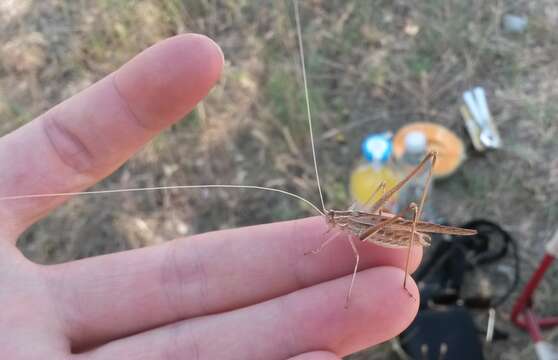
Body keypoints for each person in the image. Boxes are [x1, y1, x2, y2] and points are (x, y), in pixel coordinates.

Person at [0, 34, 421, 359]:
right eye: (330, 221)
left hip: (389, 233)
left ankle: (408, 255)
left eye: (332, 220)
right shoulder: (339, 224)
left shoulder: (350, 231)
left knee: (378, 228)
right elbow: (333, 239)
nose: (329, 223)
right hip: (378, 229)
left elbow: (350, 254)